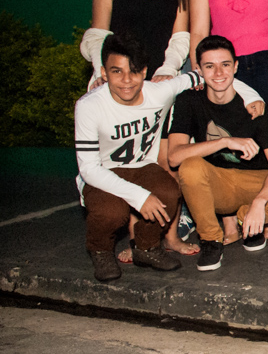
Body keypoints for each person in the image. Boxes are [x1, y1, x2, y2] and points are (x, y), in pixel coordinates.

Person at [79, 0, 196, 258]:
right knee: (121, 165)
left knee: (164, 165)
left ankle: (166, 237)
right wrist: (102, 70)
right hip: (119, 87)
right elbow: (97, 34)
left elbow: (180, 38)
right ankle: (134, 239)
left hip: (158, 87)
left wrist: (169, 70)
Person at [75, 34, 200, 281]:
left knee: (167, 192)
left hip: (143, 166)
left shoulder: (158, 92)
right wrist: (140, 197)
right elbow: (89, 169)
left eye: (133, 71)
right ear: (104, 72)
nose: (126, 81)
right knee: (112, 211)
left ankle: (146, 247)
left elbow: (210, 76)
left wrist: (252, 98)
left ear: (144, 71)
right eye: (116, 72)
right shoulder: (89, 106)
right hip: (103, 172)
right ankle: (100, 251)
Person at [169, 35, 268, 272]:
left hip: (252, 181)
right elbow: (174, 156)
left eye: (225, 65)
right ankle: (210, 239)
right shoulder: (189, 101)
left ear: (235, 66)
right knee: (190, 166)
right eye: (210, 66)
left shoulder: (254, 107)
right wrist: (225, 142)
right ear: (199, 69)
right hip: (216, 182)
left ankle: (248, 221)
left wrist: (259, 202)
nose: (218, 73)